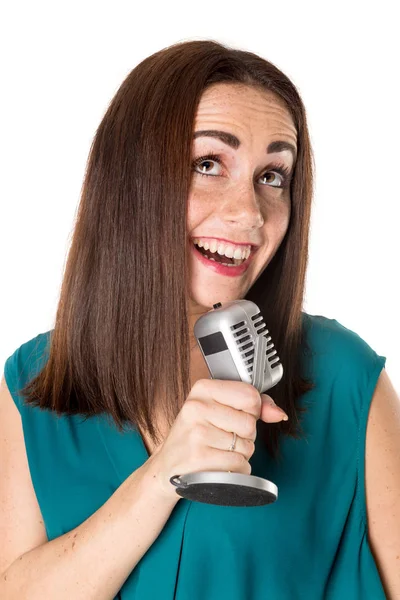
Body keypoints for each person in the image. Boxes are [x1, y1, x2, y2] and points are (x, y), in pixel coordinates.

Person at [1, 39, 399, 600]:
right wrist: (163, 476)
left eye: (273, 176)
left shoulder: (344, 378)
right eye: (208, 164)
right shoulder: (32, 381)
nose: (250, 214)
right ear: (130, 185)